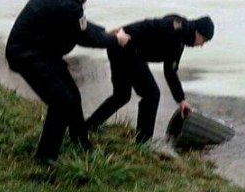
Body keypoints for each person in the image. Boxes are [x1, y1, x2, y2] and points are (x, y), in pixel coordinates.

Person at [5, 0, 130, 165]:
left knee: (72, 94)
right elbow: (84, 36)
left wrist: (105, 32)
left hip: (42, 51)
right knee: (61, 101)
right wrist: (116, 40)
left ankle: (79, 141)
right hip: (27, 55)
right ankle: (45, 158)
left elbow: (80, 25)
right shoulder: (65, 2)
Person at [86, 14, 214, 143]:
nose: (201, 45)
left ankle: (89, 126)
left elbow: (170, 72)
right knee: (151, 94)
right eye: (204, 40)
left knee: (122, 95)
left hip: (122, 49)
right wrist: (122, 37)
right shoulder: (175, 28)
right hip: (124, 47)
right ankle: (143, 142)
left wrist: (181, 100)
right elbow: (147, 25)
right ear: (198, 32)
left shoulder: (180, 40)